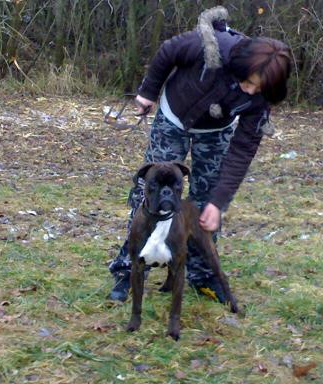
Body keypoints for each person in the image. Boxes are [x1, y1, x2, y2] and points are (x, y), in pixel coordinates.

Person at [108, 6, 292, 303]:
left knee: (206, 205)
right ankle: (128, 268)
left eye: (257, 89)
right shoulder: (212, 46)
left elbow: (242, 152)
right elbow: (169, 51)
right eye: (247, 82)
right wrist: (148, 91)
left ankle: (201, 274)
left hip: (216, 131)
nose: (248, 91)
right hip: (174, 117)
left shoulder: (260, 100)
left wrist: (218, 204)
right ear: (241, 66)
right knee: (151, 193)